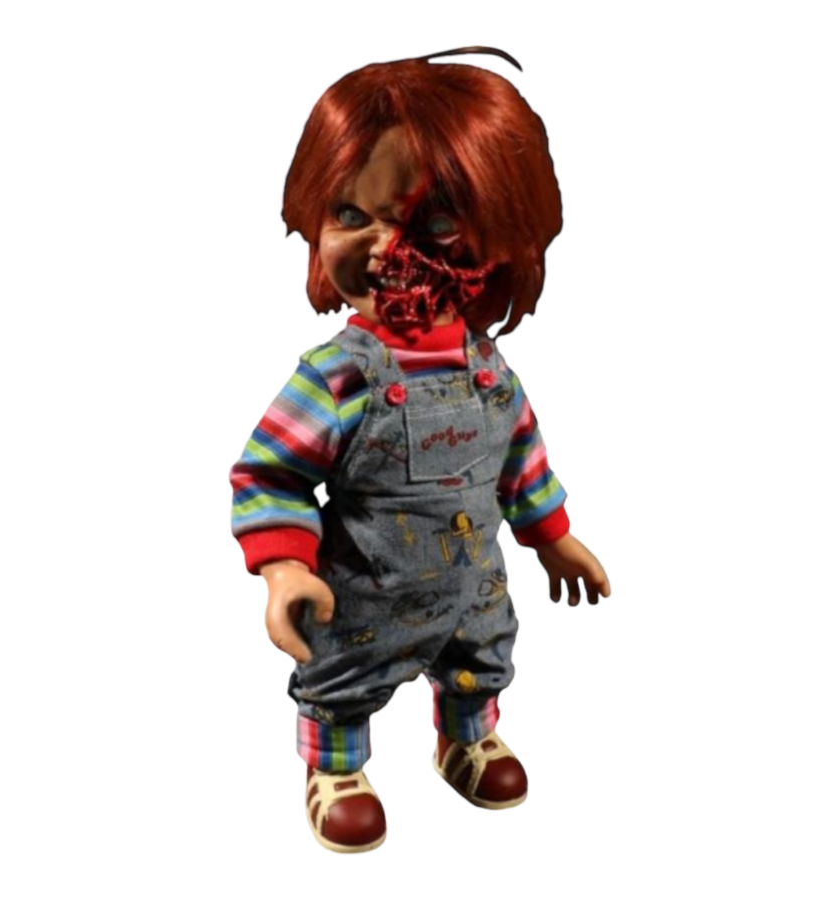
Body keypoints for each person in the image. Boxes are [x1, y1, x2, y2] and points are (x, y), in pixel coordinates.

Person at [228, 49, 612, 855]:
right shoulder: (334, 378)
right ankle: (336, 771)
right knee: (340, 683)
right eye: (351, 214)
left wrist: (554, 536)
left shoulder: (488, 368)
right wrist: (284, 568)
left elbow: (522, 457)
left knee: (481, 658)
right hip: (361, 592)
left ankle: (465, 738)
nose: (384, 249)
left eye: (432, 225)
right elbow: (268, 475)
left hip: (472, 584)